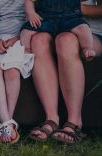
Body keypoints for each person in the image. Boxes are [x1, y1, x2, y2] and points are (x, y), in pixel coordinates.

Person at [27, 0, 102, 143]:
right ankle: (51, 118)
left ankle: (74, 122)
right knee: (38, 40)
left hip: (91, 34)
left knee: (65, 40)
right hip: (54, 25)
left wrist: (74, 7)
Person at [0, 0, 34, 143]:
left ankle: (7, 121)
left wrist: (16, 39)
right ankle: (6, 121)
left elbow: (32, 23)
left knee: (12, 69)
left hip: (21, 38)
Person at [20, 0, 96, 60]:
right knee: (26, 31)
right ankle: (26, 51)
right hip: (45, 19)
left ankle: (87, 48)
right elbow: (29, 1)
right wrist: (31, 13)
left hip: (70, 18)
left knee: (83, 27)